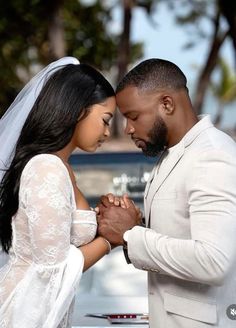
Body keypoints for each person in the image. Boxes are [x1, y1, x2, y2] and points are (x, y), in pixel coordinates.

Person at [97, 58, 236, 328]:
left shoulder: (212, 155)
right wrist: (134, 222)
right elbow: (183, 228)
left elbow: (214, 261)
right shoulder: (175, 153)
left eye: (133, 116)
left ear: (167, 104)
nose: (127, 129)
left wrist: (130, 236)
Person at [0, 56, 120, 328]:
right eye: (105, 119)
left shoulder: (62, 167)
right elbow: (52, 269)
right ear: (78, 110)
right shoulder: (47, 168)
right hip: (22, 314)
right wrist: (111, 239)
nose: (107, 132)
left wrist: (103, 219)